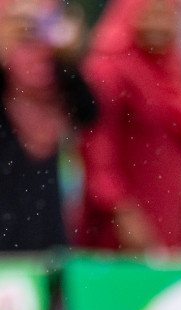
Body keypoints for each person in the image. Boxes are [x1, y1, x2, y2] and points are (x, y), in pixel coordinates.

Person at [77, 0, 181, 251]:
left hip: (170, 210)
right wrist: (120, 210)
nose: (159, 25)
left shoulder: (174, 69)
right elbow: (98, 151)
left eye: (168, 16)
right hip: (126, 220)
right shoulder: (108, 71)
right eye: (149, 15)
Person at [0, 0, 95, 251]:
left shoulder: (54, 71)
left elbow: (89, 112)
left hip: (43, 214)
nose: (29, 32)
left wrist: (69, 59)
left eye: (38, 23)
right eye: (23, 23)